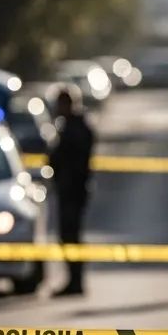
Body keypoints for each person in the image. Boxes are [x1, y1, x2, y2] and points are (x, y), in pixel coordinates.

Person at [49, 84, 94, 296]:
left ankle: (76, 280)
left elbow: (75, 160)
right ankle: (73, 279)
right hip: (67, 189)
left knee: (71, 235)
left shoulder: (76, 129)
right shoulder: (67, 127)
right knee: (67, 236)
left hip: (73, 189)